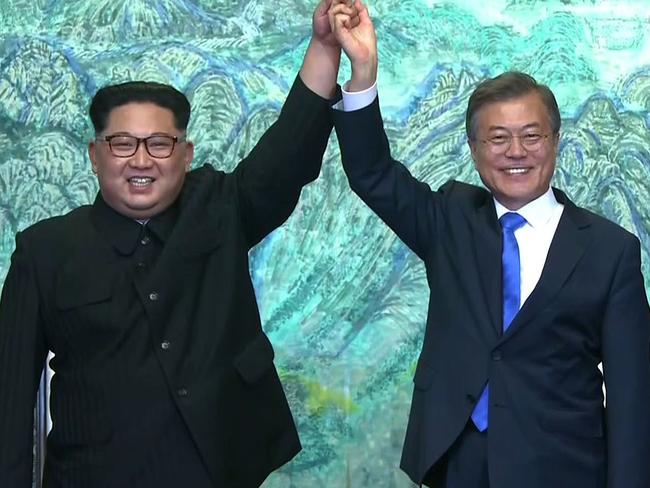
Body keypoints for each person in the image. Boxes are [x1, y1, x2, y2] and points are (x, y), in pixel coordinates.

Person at [0, 2, 361, 487]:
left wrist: (324, 46)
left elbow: (288, 153)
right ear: (95, 155)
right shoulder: (44, 251)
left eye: (160, 144)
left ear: (185, 154)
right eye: (122, 144)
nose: (141, 160)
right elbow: (10, 398)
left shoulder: (218, 209)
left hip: (217, 472)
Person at [327, 1, 650, 487]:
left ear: (556, 141)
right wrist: (364, 71)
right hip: (456, 462)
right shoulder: (451, 219)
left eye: (531, 136)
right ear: (474, 150)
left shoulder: (610, 250)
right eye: (497, 138)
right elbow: (372, 174)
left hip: (562, 469)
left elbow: (631, 396)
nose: (516, 152)